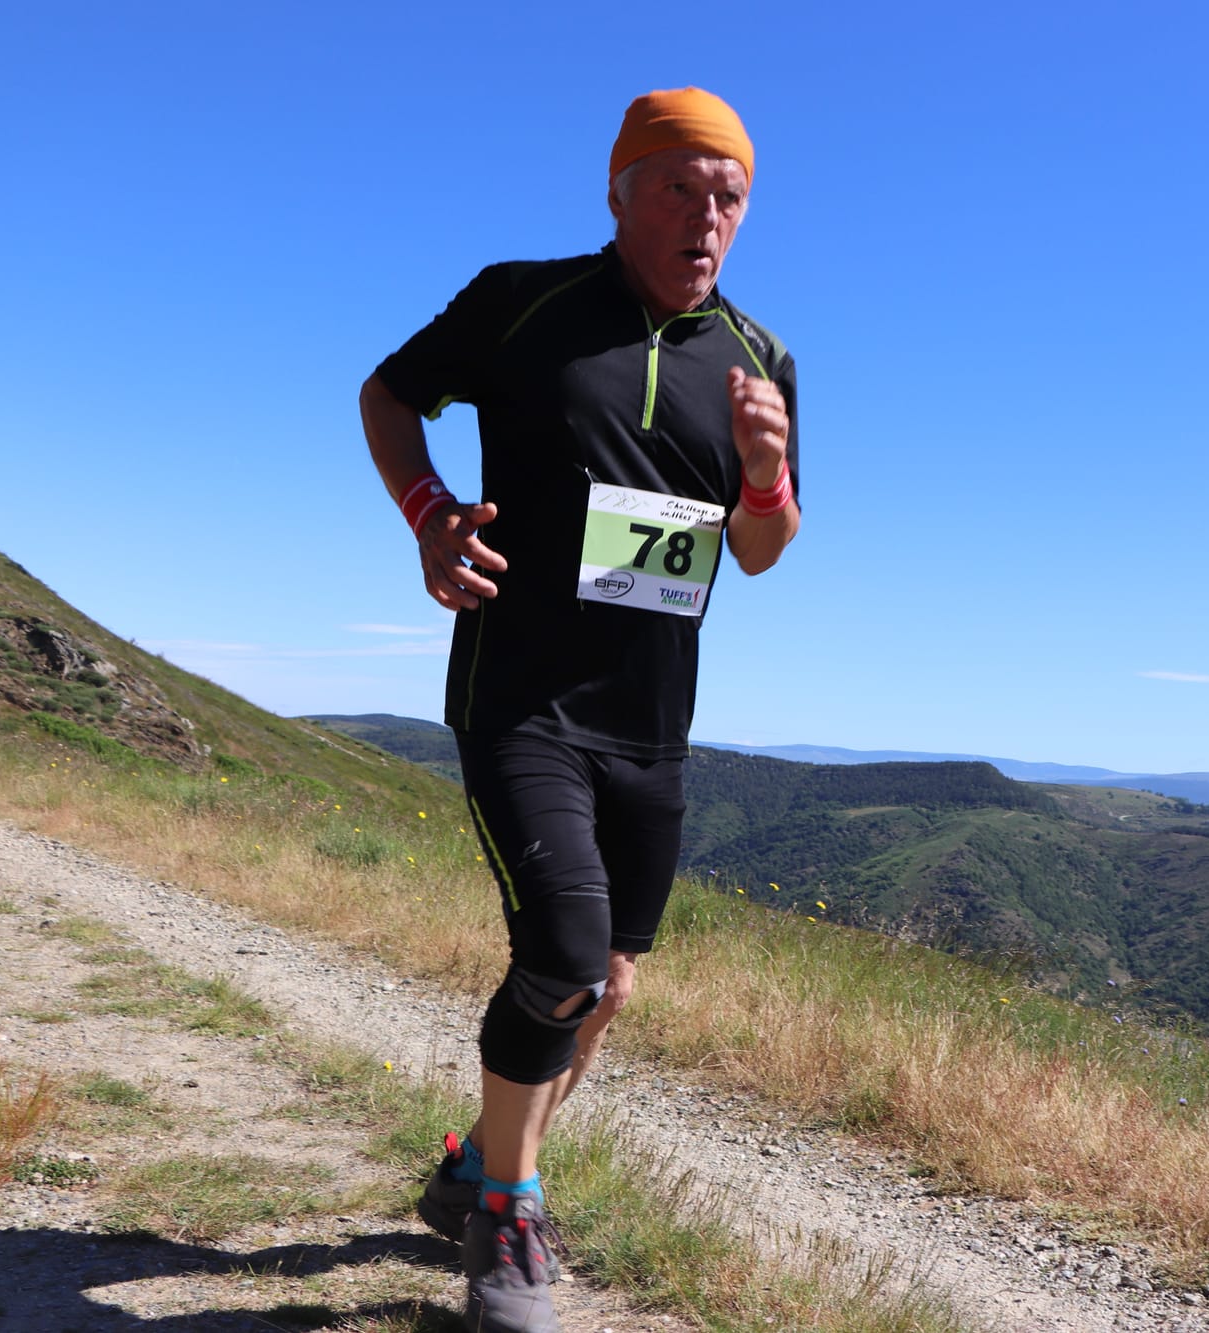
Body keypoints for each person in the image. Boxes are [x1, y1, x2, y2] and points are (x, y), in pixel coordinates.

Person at [358, 87, 799, 1333]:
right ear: (616, 193)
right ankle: (508, 1215)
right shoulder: (522, 303)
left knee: (602, 985)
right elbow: (388, 395)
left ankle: (478, 1166)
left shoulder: (759, 359)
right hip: (520, 698)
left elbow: (759, 550)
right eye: (676, 188)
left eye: (727, 196)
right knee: (557, 954)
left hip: (650, 722)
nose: (703, 216)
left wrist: (766, 476)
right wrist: (429, 514)